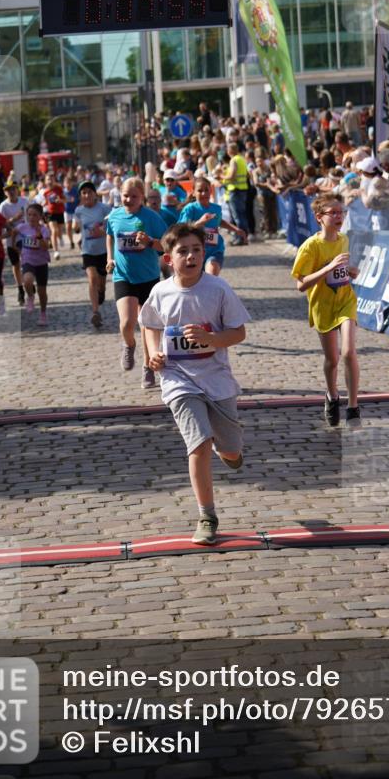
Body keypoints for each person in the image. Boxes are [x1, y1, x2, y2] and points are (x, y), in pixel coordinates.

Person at [139, 223, 250, 544]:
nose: (191, 256)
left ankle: (227, 448)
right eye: (183, 251)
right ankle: (207, 515)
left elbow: (239, 332)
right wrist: (153, 355)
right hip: (178, 380)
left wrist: (212, 338)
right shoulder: (160, 292)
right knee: (198, 443)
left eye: (197, 250)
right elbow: (149, 325)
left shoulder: (218, 289)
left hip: (217, 381)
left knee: (230, 451)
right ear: (168, 259)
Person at [290, 193, 361, 428]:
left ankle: (353, 407)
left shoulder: (344, 239)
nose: (339, 216)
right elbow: (301, 284)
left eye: (341, 212)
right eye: (334, 213)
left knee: (349, 352)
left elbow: (341, 270)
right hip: (322, 306)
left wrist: (350, 270)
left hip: (345, 301)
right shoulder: (311, 246)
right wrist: (328, 267)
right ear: (319, 217)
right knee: (332, 360)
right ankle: (332, 396)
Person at [106, 177, 167, 386]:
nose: (129, 199)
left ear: (142, 197)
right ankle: (128, 344)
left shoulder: (152, 217)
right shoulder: (114, 216)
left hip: (149, 277)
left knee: (147, 324)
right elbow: (110, 236)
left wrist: (149, 242)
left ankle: (148, 367)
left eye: (134, 196)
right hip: (123, 276)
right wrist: (109, 258)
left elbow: (166, 245)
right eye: (125, 195)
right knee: (126, 322)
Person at [180, 176, 246, 276]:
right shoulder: (190, 209)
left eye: (206, 190)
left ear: (211, 190)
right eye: (200, 190)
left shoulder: (216, 208)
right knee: (198, 282)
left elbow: (219, 221)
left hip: (214, 249)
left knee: (211, 274)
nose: (204, 193)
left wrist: (236, 229)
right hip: (194, 252)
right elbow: (182, 229)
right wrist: (200, 222)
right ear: (193, 192)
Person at [74, 180, 111, 328]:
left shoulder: (104, 208)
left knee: (101, 281)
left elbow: (111, 225)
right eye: (84, 193)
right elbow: (76, 227)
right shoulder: (79, 211)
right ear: (81, 196)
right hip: (87, 250)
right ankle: (95, 312)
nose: (87, 195)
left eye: (90, 192)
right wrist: (75, 228)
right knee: (92, 278)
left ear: (95, 194)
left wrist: (102, 230)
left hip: (103, 250)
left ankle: (101, 290)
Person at [13, 203, 51, 327]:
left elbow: (45, 247)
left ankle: (43, 314)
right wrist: (14, 246)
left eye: (35, 215)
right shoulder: (22, 227)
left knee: (42, 291)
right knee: (27, 280)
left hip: (41, 262)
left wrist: (40, 237)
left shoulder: (44, 230)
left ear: (40, 216)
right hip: (27, 260)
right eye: (29, 215)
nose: (32, 217)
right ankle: (30, 296)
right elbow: (13, 231)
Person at [0, 181, 30, 305]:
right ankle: (20, 289)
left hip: (25, 236)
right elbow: (1, 224)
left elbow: (32, 215)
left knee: (26, 261)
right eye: (8, 190)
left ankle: (28, 283)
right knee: (16, 265)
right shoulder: (3, 206)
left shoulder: (25, 201)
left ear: (17, 190)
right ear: (5, 192)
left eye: (13, 189)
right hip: (11, 239)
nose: (11, 192)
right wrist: (13, 219)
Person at [222, 142, 250, 244]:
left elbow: (232, 176)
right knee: (241, 215)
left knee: (237, 216)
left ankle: (240, 238)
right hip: (243, 189)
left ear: (230, 151)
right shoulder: (242, 159)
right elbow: (247, 175)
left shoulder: (234, 160)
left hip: (235, 190)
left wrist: (221, 177)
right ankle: (243, 237)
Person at [41, 172, 65, 260]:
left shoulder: (59, 189)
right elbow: (46, 201)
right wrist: (43, 204)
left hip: (60, 212)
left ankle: (61, 236)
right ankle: (56, 251)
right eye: (48, 179)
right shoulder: (45, 192)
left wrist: (60, 200)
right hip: (50, 213)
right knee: (54, 230)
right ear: (45, 181)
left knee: (59, 229)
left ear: (54, 180)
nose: (50, 181)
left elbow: (64, 199)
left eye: (51, 179)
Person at [63, 176, 79, 250]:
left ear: (72, 184)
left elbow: (77, 200)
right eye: (67, 183)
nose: (68, 185)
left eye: (69, 183)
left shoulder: (75, 191)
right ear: (64, 184)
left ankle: (77, 229)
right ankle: (71, 242)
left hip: (75, 211)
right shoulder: (63, 191)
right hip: (66, 211)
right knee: (67, 228)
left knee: (74, 226)